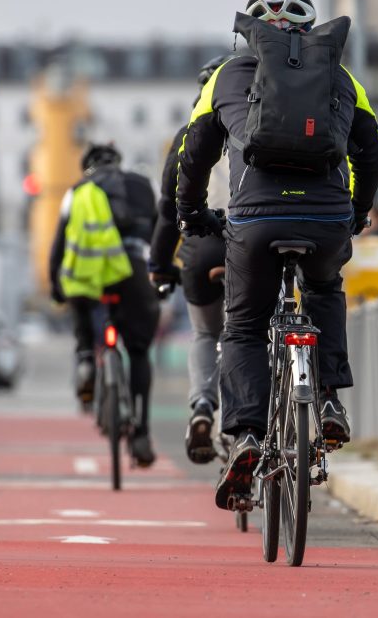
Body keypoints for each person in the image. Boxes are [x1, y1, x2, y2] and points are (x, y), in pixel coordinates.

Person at [175, 0, 378, 509]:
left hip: (254, 219)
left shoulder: (226, 76)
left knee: (244, 326)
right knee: (324, 288)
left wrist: (190, 211)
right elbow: (372, 147)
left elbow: (195, 149)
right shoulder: (340, 77)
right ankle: (331, 400)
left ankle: (246, 434)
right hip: (327, 217)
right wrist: (357, 211)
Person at [49, 142, 161, 467]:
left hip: (91, 274)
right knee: (139, 351)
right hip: (135, 271)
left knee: (78, 297)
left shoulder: (78, 191)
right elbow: (160, 235)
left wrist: (57, 287)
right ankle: (140, 431)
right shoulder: (143, 185)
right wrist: (163, 279)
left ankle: (85, 357)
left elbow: (59, 245)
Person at [149, 55, 232, 464]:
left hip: (202, 249)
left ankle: (202, 405)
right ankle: (262, 413)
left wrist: (159, 266)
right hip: (255, 240)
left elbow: (169, 210)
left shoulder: (188, 135)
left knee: (205, 334)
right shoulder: (265, 128)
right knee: (258, 330)